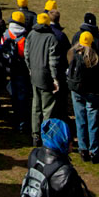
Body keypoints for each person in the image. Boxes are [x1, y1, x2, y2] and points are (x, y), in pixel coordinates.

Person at [21, 118, 94, 197]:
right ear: (62, 139)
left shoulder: (34, 156)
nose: (72, 142)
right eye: (69, 138)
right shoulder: (66, 173)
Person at [66, 31, 99, 161]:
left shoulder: (72, 54)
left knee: (80, 120)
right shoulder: (96, 58)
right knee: (93, 122)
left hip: (77, 91)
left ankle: (83, 149)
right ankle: (94, 151)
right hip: (93, 93)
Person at [25, 12, 60, 146]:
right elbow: (53, 62)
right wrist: (55, 78)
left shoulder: (31, 34)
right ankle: (46, 136)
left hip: (34, 75)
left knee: (36, 106)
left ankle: (35, 135)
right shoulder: (52, 38)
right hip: (46, 77)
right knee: (47, 109)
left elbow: (26, 54)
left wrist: (30, 69)